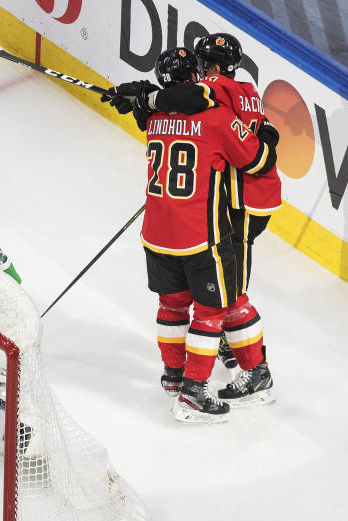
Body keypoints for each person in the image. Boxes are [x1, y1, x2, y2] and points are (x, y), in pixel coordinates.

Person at [102, 47, 278, 422]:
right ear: (196, 77)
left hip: (155, 234)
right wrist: (262, 130)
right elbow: (260, 159)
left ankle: (174, 374)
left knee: (172, 305)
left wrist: (136, 97)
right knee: (216, 308)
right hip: (201, 235)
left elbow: (160, 110)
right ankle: (196, 390)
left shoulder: (153, 121)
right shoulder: (216, 119)